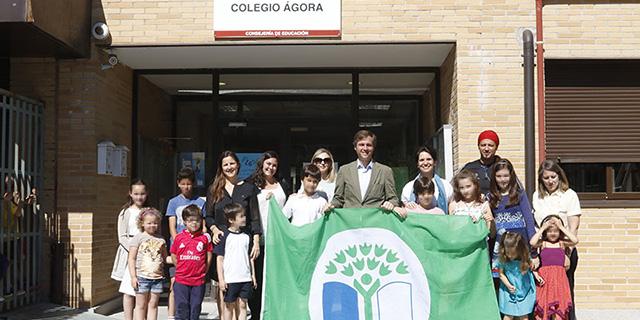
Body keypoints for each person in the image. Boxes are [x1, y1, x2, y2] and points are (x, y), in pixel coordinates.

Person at [206, 151, 262, 319]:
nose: (229, 167)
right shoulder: (214, 189)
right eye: (225, 164)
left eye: (232, 163)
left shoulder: (248, 188)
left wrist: (256, 241)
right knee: (224, 288)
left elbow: (254, 217)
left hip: (242, 242)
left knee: (241, 293)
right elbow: (208, 216)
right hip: (223, 242)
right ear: (221, 168)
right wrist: (214, 229)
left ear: (238, 165)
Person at [532, 159, 581, 320]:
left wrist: (567, 253)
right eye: (546, 178)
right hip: (544, 252)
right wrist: (535, 254)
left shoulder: (569, 195)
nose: (550, 181)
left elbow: (573, 228)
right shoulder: (537, 196)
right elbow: (535, 226)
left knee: (564, 294)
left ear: (559, 176)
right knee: (544, 294)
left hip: (563, 250)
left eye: (553, 177)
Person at [248, 150, 289, 319]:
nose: (271, 168)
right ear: (262, 164)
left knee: (275, 280)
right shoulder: (252, 185)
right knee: (256, 280)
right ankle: (256, 315)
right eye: (268, 164)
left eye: (274, 165)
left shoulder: (283, 184)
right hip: (258, 239)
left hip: (278, 240)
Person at [165, 167, 207, 320]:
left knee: (194, 293)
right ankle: (172, 316)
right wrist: (179, 241)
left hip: (195, 250)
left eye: (189, 184)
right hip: (179, 248)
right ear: (178, 184)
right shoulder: (173, 202)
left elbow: (203, 226)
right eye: (183, 184)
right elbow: (172, 225)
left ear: (193, 184)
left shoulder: (200, 202)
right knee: (175, 283)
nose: (186, 187)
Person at [488, 159, 536, 281]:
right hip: (502, 245)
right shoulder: (490, 197)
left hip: (520, 243)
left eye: (506, 176)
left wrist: (534, 251)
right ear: (494, 177)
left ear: (511, 176)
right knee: (503, 279)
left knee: (522, 278)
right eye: (498, 176)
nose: (502, 179)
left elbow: (529, 221)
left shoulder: (519, 194)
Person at [330, 130, 399, 210]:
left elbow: (394, 199)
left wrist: (391, 203)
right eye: (361, 145)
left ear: (373, 148)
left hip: (375, 220)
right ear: (355, 147)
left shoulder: (385, 171)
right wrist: (331, 205)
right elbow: (338, 199)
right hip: (351, 220)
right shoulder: (344, 170)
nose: (365, 148)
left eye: (369, 145)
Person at [111, 179, 149, 320]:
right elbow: (122, 236)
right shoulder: (125, 212)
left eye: (142, 193)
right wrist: (134, 249)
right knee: (128, 290)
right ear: (130, 194)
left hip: (146, 254)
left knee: (143, 290)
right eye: (136, 194)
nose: (139, 197)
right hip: (130, 254)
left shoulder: (149, 212)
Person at [530, 215, 579, 320]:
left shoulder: (561, 243)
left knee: (558, 313)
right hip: (545, 279)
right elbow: (532, 242)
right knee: (543, 310)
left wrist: (561, 227)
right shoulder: (543, 243)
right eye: (549, 231)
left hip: (559, 280)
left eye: (555, 231)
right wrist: (542, 228)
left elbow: (575, 240)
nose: (552, 233)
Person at [215, 203, 257, 320]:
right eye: (241, 216)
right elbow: (219, 259)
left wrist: (253, 275)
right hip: (230, 278)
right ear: (231, 220)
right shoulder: (224, 236)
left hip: (245, 277)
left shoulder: (246, 236)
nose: (244, 218)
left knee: (243, 304)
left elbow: (250, 257)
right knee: (229, 306)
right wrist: (221, 279)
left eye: (244, 216)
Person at [170, 205, 213, 320]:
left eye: (197, 221)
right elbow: (174, 254)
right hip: (181, 280)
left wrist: (204, 269)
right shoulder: (179, 237)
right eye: (190, 221)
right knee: (182, 307)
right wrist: (179, 267)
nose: (194, 223)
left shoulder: (205, 238)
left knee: (195, 307)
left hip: (198, 280)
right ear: (184, 222)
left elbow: (208, 255)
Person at [127, 208, 167, 320]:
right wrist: (133, 277)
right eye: (149, 223)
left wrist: (178, 259)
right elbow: (131, 258)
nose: (152, 225)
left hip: (157, 278)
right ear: (142, 224)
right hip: (142, 278)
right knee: (140, 305)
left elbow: (165, 258)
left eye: (155, 223)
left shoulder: (161, 239)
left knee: (153, 305)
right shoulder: (138, 238)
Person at [496, 232, 537, 320]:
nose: (510, 255)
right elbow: (501, 274)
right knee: (508, 315)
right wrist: (508, 285)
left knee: (524, 315)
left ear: (520, 250)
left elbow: (532, 270)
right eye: (507, 252)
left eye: (513, 253)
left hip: (524, 289)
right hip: (509, 290)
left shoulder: (525, 258)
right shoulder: (503, 259)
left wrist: (537, 275)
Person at [400, 145, 453, 213]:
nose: (425, 163)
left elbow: (451, 211)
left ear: (435, 162)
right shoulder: (409, 187)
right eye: (421, 160)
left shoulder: (446, 186)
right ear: (417, 164)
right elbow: (403, 212)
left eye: (429, 159)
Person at [449, 169, 495, 236]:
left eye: (468, 186)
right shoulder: (454, 205)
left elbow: (492, 234)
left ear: (475, 185)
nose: (465, 191)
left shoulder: (483, 205)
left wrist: (492, 222)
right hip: (460, 243)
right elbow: (451, 230)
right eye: (461, 188)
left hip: (479, 244)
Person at [461, 130, 502, 195]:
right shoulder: (469, 168)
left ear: (496, 147)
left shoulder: (502, 167)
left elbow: (516, 189)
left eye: (490, 145)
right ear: (478, 147)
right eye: (483, 145)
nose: (486, 149)